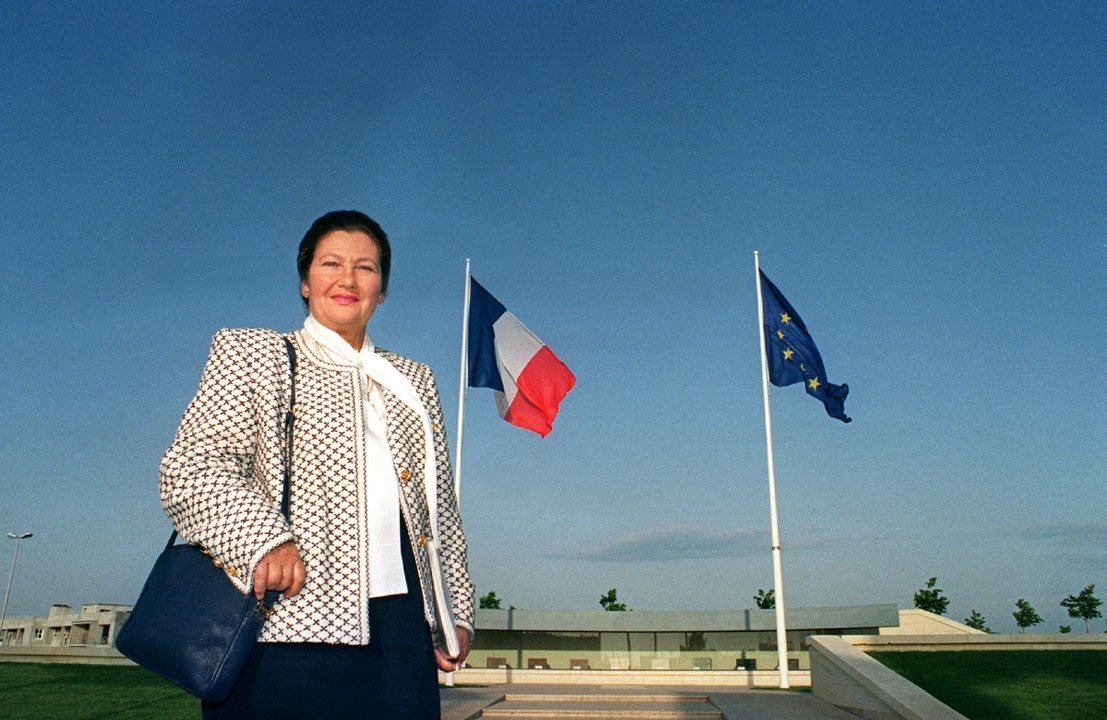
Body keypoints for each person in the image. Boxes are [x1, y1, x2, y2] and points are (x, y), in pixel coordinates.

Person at [160, 210, 474, 719]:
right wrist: (266, 539)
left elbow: (439, 512)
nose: (348, 279)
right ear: (306, 282)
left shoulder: (414, 380)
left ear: (383, 290)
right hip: (282, 623)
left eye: (366, 268)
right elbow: (192, 467)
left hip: (399, 635)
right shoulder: (253, 353)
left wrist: (450, 609)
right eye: (331, 263)